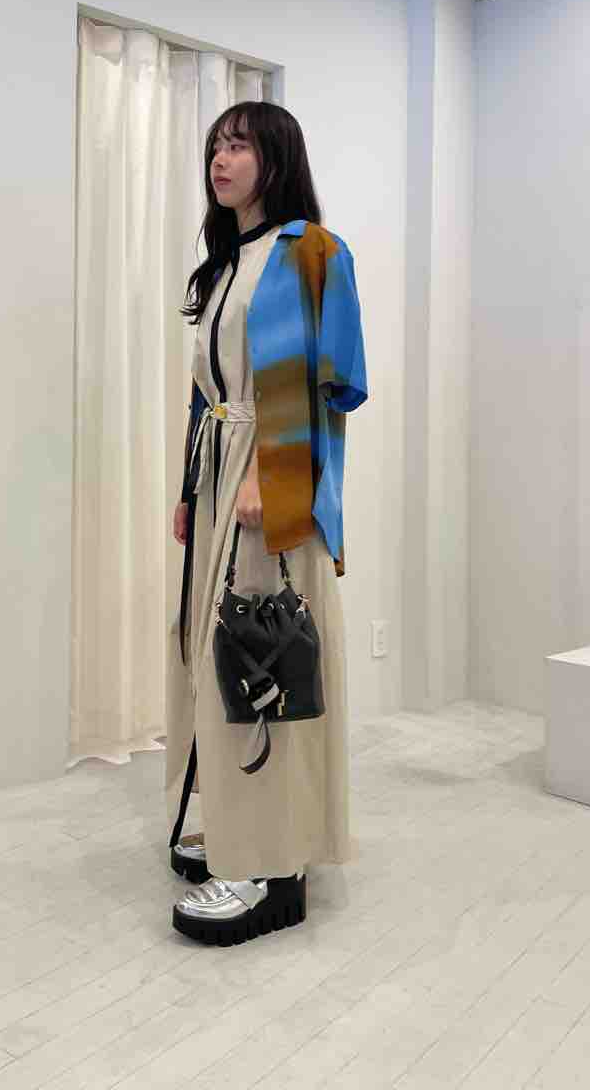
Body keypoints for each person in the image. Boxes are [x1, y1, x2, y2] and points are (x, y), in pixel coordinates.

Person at [165, 101, 368, 947]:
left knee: (264, 661)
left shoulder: (313, 251)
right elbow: (206, 391)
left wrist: (268, 476)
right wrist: (191, 488)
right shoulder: (225, 264)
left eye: (239, 145)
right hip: (223, 478)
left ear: (277, 157)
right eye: (216, 145)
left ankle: (274, 869)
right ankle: (238, 828)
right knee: (217, 657)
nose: (222, 159)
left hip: (270, 485)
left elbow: (333, 379)